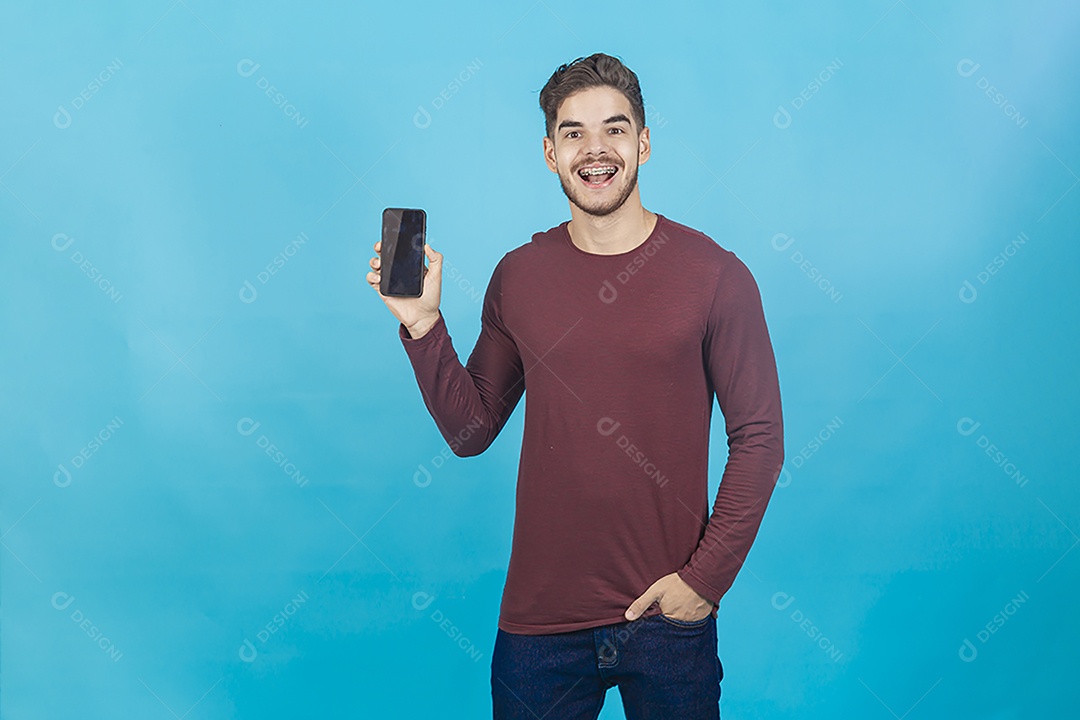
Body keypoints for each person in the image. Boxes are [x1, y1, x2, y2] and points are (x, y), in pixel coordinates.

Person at [366, 52, 784, 720]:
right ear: (549, 152)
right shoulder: (520, 275)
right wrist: (423, 325)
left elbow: (759, 441)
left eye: (615, 129)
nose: (596, 150)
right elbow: (472, 432)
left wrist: (703, 583)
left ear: (643, 142)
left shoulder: (715, 276)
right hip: (540, 625)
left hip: (667, 621)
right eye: (574, 133)